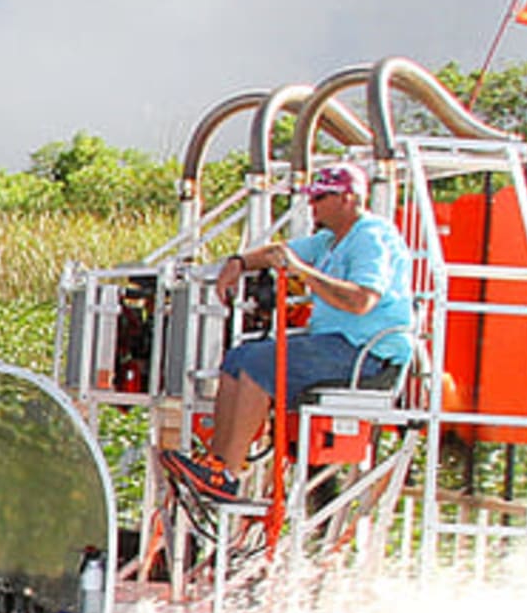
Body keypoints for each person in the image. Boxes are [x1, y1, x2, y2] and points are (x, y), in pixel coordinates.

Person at [160, 160, 416, 502]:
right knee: (238, 358)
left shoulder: (371, 237)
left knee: (262, 364)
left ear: (348, 199)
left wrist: (304, 273)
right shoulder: (329, 240)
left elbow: (361, 301)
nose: (313, 206)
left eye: (321, 198)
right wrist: (239, 262)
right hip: (334, 345)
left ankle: (228, 475)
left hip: (366, 352)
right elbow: (278, 253)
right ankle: (216, 463)